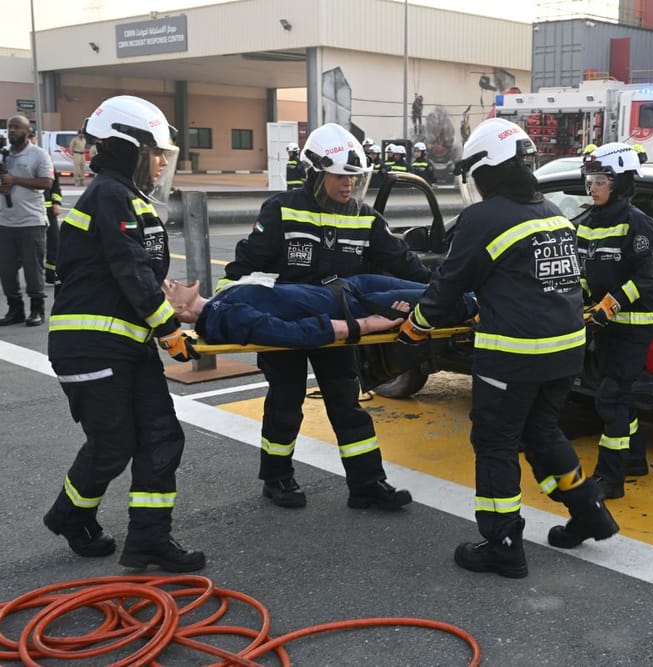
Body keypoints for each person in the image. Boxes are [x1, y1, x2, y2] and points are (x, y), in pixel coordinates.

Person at [396, 118, 619, 578]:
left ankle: (502, 543)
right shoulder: (553, 213)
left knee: (495, 442)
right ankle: (588, 512)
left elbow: (447, 285)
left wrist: (413, 330)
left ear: (488, 170)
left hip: (514, 356)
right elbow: (553, 282)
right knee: (543, 433)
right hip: (566, 352)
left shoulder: (483, 217)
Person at [222, 122, 431, 511]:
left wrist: (441, 291)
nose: (348, 184)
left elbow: (404, 263)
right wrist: (229, 307)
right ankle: (277, 477)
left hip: (338, 321)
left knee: (346, 401)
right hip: (290, 320)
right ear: (316, 173)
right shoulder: (281, 210)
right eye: (339, 176)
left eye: (354, 177)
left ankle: (367, 484)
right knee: (286, 399)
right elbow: (246, 266)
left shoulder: (365, 217)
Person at [44, 95, 205, 573]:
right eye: (154, 153)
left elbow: (139, 276)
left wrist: (175, 304)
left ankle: (149, 541)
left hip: (126, 345)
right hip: (91, 344)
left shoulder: (128, 198)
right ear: (125, 148)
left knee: (161, 436)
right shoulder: (109, 195)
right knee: (113, 444)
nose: (159, 164)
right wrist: (171, 330)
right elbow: (130, 270)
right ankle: (70, 516)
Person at [576, 143, 653, 499]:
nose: (591, 187)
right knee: (620, 394)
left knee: (610, 397)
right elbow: (582, 274)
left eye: (599, 180)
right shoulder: (586, 222)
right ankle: (635, 459)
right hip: (603, 322)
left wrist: (608, 307)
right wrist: (578, 304)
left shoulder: (640, 225)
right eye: (589, 180)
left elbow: (646, 278)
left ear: (620, 182)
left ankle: (610, 479)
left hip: (635, 322)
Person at [163, 274, 476, 347]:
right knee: (448, 299)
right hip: (354, 306)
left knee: (440, 283)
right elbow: (291, 334)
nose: (171, 280)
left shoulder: (222, 297)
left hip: (350, 287)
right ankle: (488, 305)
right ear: (178, 309)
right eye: (166, 288)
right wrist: (368, 324)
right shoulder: (223, 318)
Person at [0, 115, 54, 327]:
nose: (12, 130)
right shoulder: (3, 155)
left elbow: (47, 182)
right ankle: (15, 309)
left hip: (31, 222)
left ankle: (36, 309)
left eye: (16, 127)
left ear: (27, 130)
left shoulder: (38, 155)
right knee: (6, 271)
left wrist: (15, 180)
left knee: (33, 270)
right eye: (9, 127)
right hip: (5, 222)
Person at [29, 129, 63, 293]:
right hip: (30, 211)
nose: (30, 140)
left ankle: (51, 273)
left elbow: (55, 185)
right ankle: (33, 278)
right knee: (33, 247)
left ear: (35, 138)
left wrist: (56, 201)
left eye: (32, 137)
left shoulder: (44, 158)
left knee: (54, 242)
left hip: (49, 211)